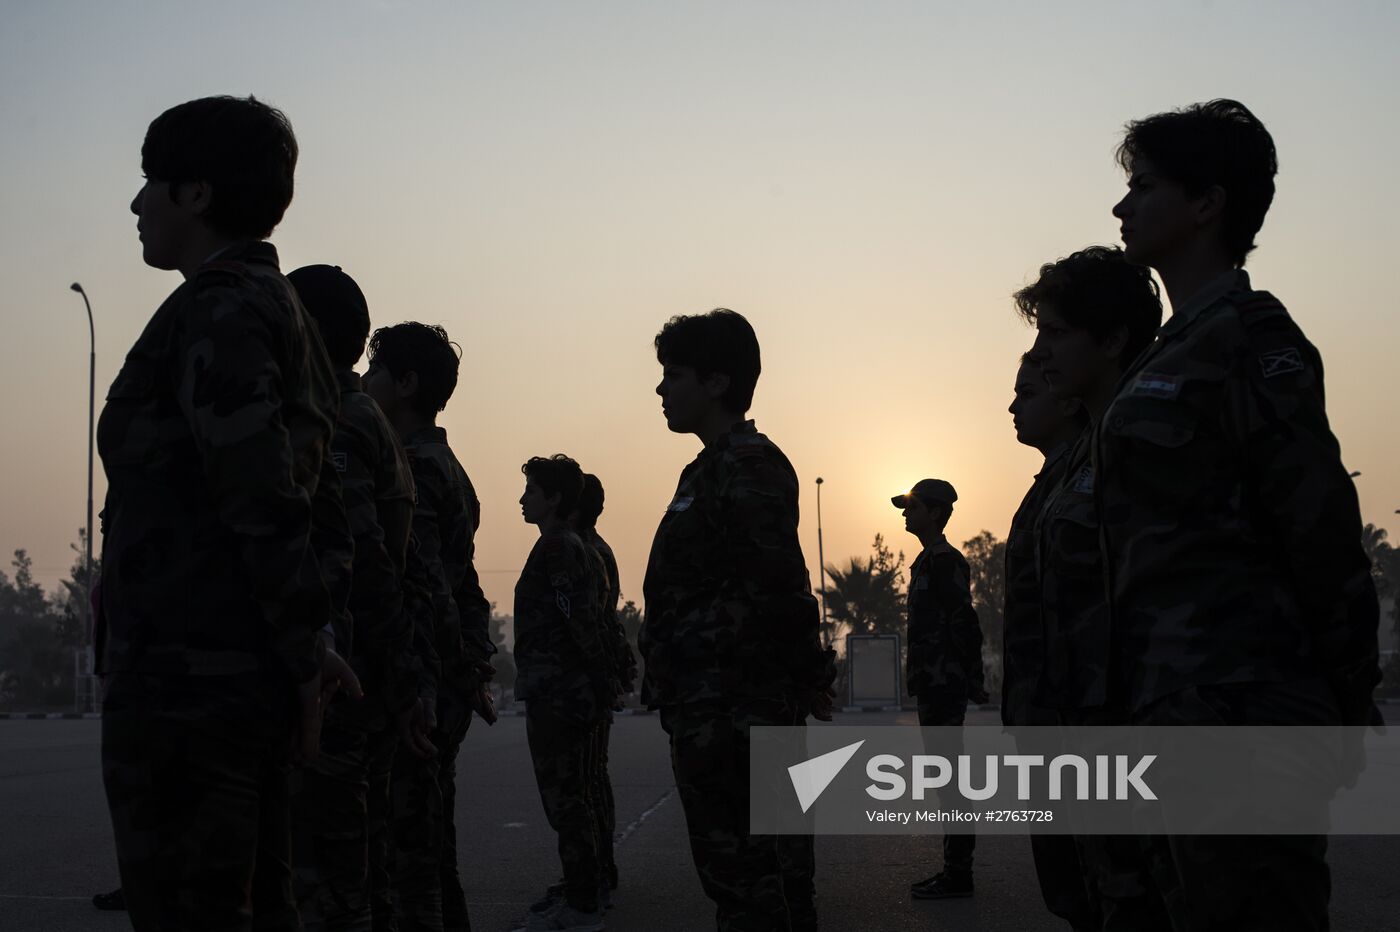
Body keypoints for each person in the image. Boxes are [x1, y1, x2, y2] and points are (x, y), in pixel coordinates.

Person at [1102, 99, 1380, 929]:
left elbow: (1319, 527)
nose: (1122, 206)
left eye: (1142, 186)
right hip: (1173, 709)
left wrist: (1342, 700)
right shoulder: (1170, 347)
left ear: (1206, 203)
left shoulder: (1250, 339)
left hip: (1245, 713)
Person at [99, 95, 359, 932]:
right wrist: (304, 646)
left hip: (194, 686)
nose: (138, 204)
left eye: (151, 183)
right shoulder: (273, 308)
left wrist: (299, 648)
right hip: (229, 676)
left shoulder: (220, 308)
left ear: (196, 193)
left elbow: (262, 496)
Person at [641, 308, 836, 932]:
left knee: (753, 882)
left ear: (717, 382)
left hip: (740, 709)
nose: (661, 389)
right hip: (712, 706)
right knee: (749, 881)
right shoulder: (707, 467)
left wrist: (807, 674)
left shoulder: (748, 463)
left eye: (673, 374)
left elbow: (779, 582)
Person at [1017, 245, 1166, 930]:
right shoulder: (1088, 453)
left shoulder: (1151, 439)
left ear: (1110, 341)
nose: (1040, 354)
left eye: (1054, 332)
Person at [287, 264, 430, 930]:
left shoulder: (337, 422)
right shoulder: (362, 418)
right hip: (361, 678)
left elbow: (365, 565)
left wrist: (400, 685)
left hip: (342, 684)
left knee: (330, 883)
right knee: (360, 873)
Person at [363, 322, 498, 932]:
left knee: (407, 858)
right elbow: (465, 584)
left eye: (377, 370)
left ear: (407, 383)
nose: (366, 381)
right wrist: (469, 668)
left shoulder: (411, 468)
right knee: (431, 848)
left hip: (419, 680)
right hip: (439, 676)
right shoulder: (449, 466)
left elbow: (429, 587)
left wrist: (428, 681)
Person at [1001, 349, 1096, 928]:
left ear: (1067, 397)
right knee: (1067, 884)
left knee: (1098, 884)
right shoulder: (1051, 482)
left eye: (1028, 392)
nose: (1013, 405)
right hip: (1042, 715)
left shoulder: (1097, 468)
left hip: (1078, 719)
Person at [515, 455, 616, 932]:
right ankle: (585, 893)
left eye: (532, 491)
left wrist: (594, 682)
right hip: (564, 691)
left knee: (567, 803)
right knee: (575, 798)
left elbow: (581, 623)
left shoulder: (558, 547)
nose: (522, 499)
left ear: (554, 499)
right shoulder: (575, 545)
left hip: (559, 693)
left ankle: (582, 905)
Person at [891, 478, 986, 900]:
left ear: (936, 513)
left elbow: (964, 622)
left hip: (944, 684)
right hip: (933, 684)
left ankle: (958, 873)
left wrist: (972, 678)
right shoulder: (927, 560)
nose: (905, 514)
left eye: (912, 508)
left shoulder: (946, 561)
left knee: (949, 779)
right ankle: (954, 869)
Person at [571, 473, 635, 901]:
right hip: (593, 679)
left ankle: (591, 875)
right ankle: (600, 867)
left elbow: (589, 624)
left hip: (581, 682)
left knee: (584, 782)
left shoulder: (583, 552)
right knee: (593, 778)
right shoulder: (598, 548)